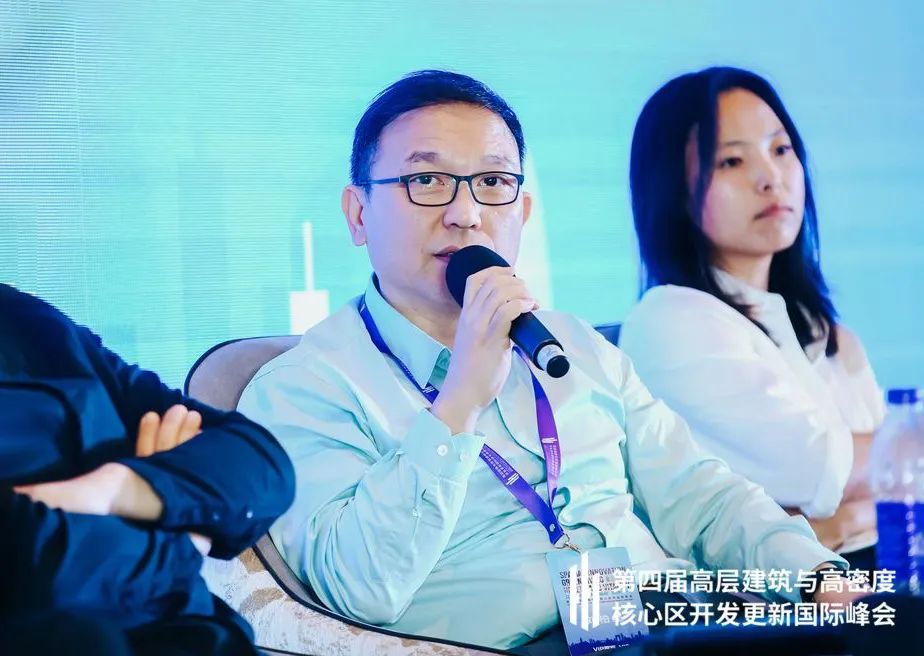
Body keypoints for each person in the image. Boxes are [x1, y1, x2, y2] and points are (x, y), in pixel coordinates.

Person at [239, 70, 857, 652]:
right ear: (358, 214)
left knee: (882, 628)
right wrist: (459, 402)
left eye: (492, 183)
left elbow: (702, 496)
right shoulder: (304, 386)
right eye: (426, 181)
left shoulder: (573, 345)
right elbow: (358, 589)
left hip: (662, 622)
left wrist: (819, 579)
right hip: (517, 646)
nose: (466, 213)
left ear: (523, 213)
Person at [619, 67, 884, 569]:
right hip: (791, 602)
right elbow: (825, 469)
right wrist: (860, 494)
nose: (770, 177)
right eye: (732, 160)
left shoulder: (825, 331)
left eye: (781, 149)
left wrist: (846, 509)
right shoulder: (671, 321)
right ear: (673, 188)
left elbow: (896, 486)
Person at [0, 283, 296, 655]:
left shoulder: (27, 322)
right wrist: (181, 537)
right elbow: (34, 566)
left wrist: (118, 486)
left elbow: (263, 466)